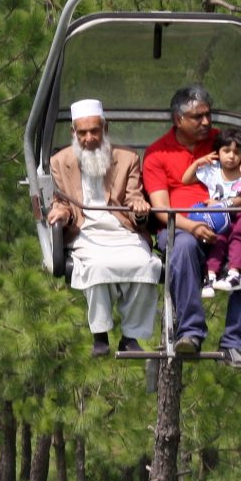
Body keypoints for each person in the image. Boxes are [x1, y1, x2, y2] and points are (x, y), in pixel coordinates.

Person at [142, 85, 241, 370]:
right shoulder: (157, 155)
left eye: (208, 115)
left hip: (230, 225)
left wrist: (230, 205)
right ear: (178, 120)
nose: (206, 122)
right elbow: (162, 209)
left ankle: (234, 344)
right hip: (184, 225)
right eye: (197, 117)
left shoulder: (225, 144)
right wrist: (192, 226)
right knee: (183, 246)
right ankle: (190, 332)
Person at [45, 98, 158, 357]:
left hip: (122, 229)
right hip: (85, 231)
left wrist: (139, 207)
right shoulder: (60, 161)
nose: (89, 138)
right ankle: (100, 332)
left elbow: (133, 197)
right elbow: (61, 201)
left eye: (94, 131)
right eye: (82, 133)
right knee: (95, 266)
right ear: (73, 133)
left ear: (105, 129)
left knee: (146, 264)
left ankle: (131, 337)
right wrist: (59, 213)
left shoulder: (127, 158)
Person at [180, 129, 241, 297]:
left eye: (236, 152)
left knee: (237, 233)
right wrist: (197, 163)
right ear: (218, 152)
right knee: (219, 238)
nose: (231, 156)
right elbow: (186, 179)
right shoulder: (213, 171)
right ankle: (211, 275)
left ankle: (234, 274)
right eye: (226, 151)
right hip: (223, 217)